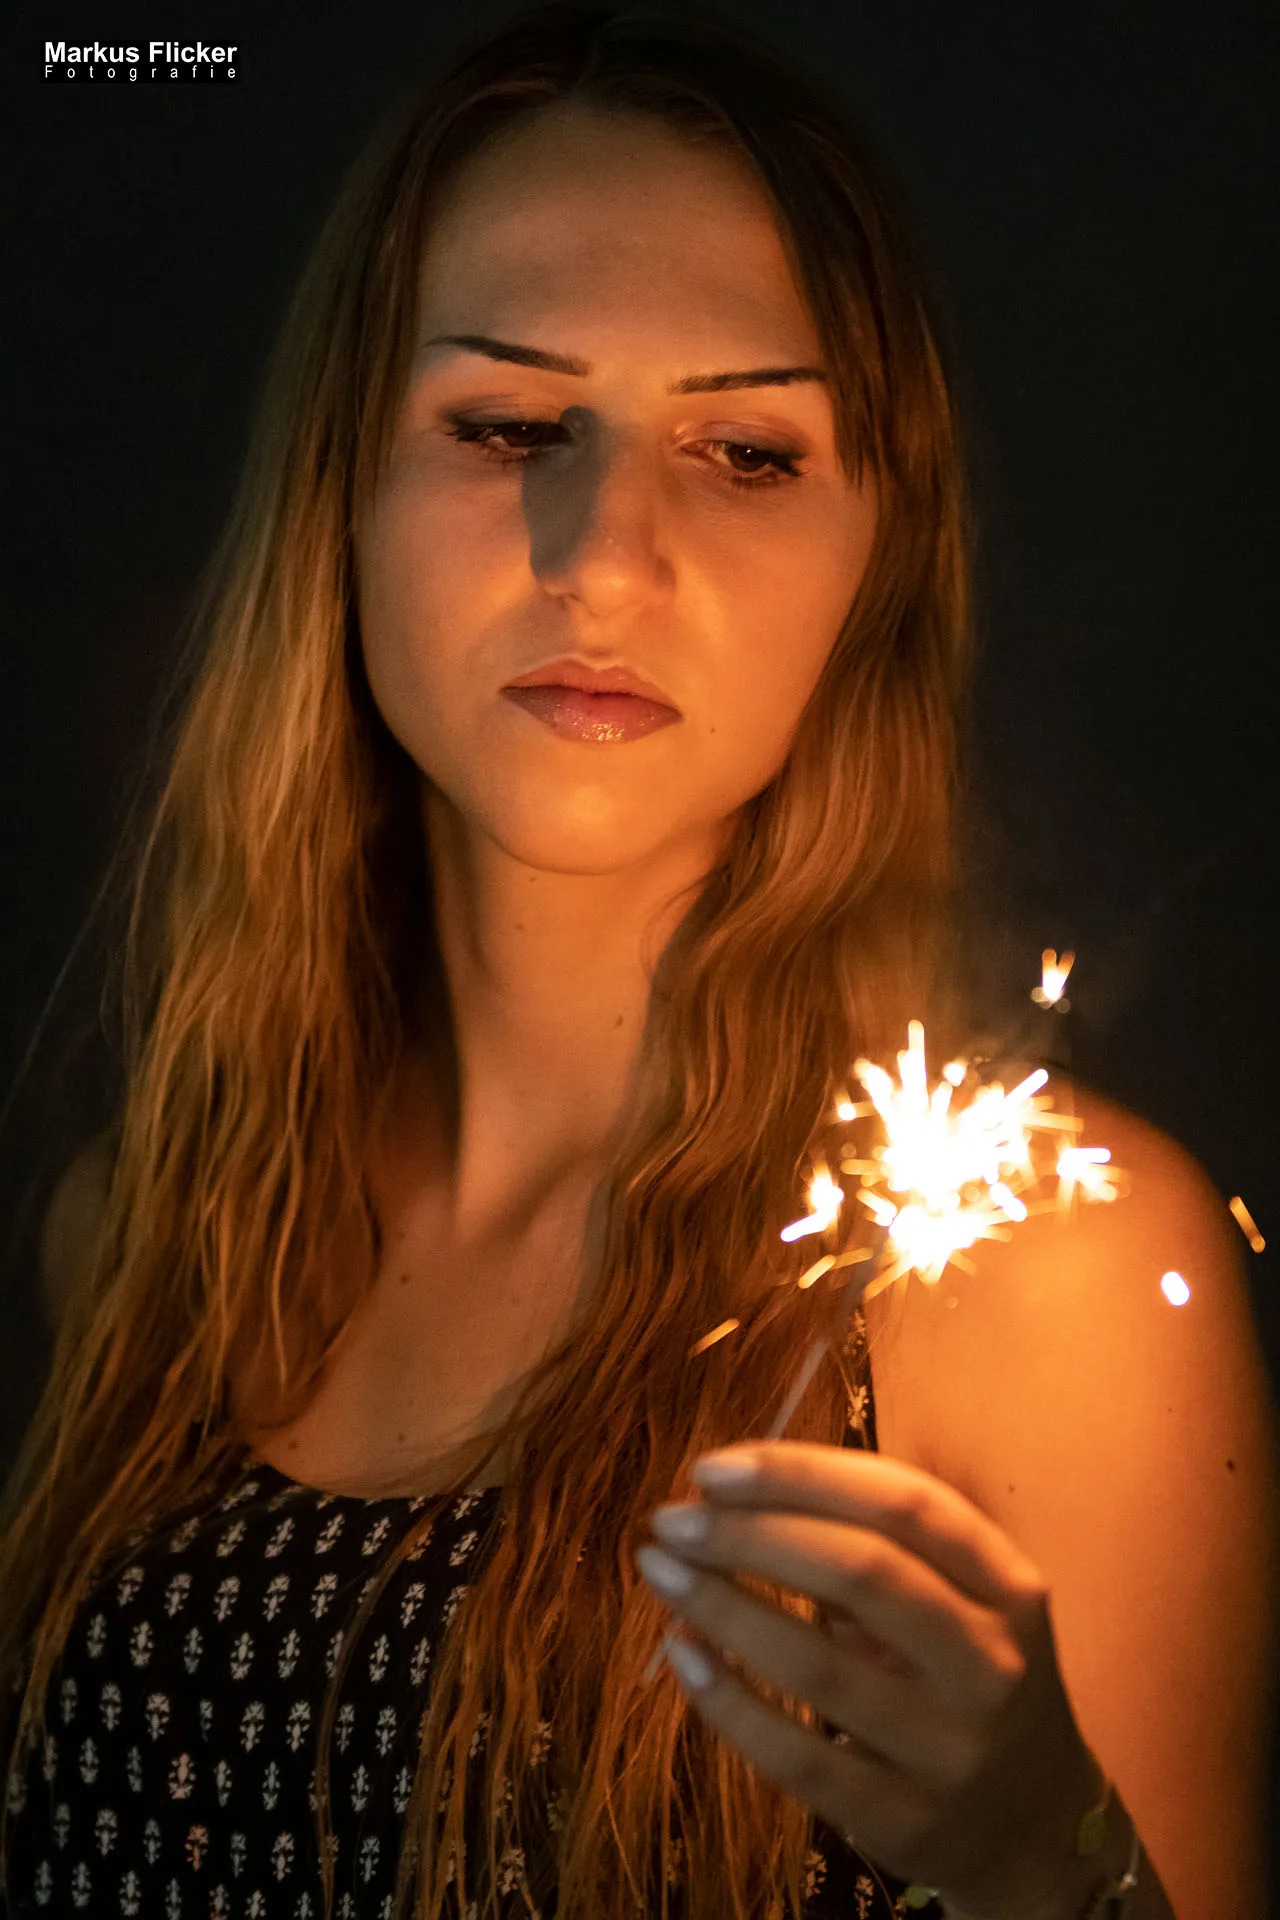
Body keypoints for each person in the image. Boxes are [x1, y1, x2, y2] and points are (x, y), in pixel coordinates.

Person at [2, 5, 1276, 1917]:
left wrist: (1051, 1866)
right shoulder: (148, 1232)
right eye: (509, 426)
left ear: (877, 555)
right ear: (340, 488)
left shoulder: (1039, 1277)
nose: (602, 557)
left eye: (747, 452)